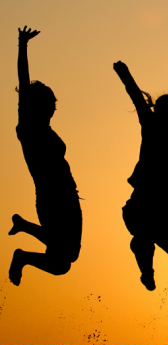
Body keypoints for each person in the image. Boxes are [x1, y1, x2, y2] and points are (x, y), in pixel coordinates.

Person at [8, 27, 83, 286]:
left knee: (63, 263)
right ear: (37, 106)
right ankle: (23, 242)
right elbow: (23, 79)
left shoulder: (47, 130)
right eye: (49, 106)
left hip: (69, 193)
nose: (53, 111)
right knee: (66, 253)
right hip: (51, 197)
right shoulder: (28, 129)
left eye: (54, 107)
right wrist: (22, 45)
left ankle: (23, 244)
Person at [113, 61, 168, 291]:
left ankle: (146, 238)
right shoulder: (152, 127)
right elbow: (136, 98)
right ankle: (146, 267)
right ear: (161, 114)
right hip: (143, 203)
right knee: (143, 236)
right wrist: (125, 75)